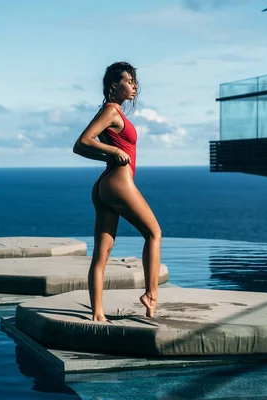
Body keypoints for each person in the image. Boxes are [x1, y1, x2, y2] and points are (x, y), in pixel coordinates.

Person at [73, 61, 162, 321]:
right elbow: (82, 143)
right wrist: (114, 152)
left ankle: (97, 313)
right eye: (129, 81)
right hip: (119, 184)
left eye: (134, 82)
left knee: (102, 253)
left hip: (105, 185)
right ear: (115, 85)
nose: (134, 86)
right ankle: (151, 294)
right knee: (154, 233)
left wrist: (110, 156)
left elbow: (85, 147)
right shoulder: (111, 111)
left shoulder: (114, 112)